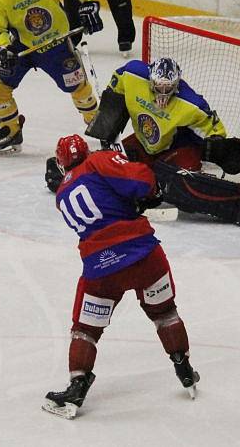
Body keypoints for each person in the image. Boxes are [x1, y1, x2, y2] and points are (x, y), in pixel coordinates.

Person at [43, 134, 199, 420]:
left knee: (85, 330)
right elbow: (140, 181)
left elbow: (101, 209)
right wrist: (148, 192)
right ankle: (184, 367)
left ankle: (77, 386)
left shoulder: (61, 196)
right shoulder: (98, 160)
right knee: (165, 313)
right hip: (144, 255)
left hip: (101, 269)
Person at [45, 57, 240, 227]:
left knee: (175, 186)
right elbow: (117, 86)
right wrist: (109, 119)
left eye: (168, 88)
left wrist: (219, 148)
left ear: (177, 84)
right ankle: (69, 174)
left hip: (178, 147)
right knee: (112, 166)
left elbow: (216, 131)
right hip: (145, 143)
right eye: (158, 86)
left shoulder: (192, 104)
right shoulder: (133, 75)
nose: (163, 92)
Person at [0, 0, 104, 155]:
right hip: (21, 48)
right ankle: (10, 132)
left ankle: (98, 125)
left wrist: (88, 3)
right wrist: (4, 48)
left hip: (56, 46)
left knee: (79, 88)